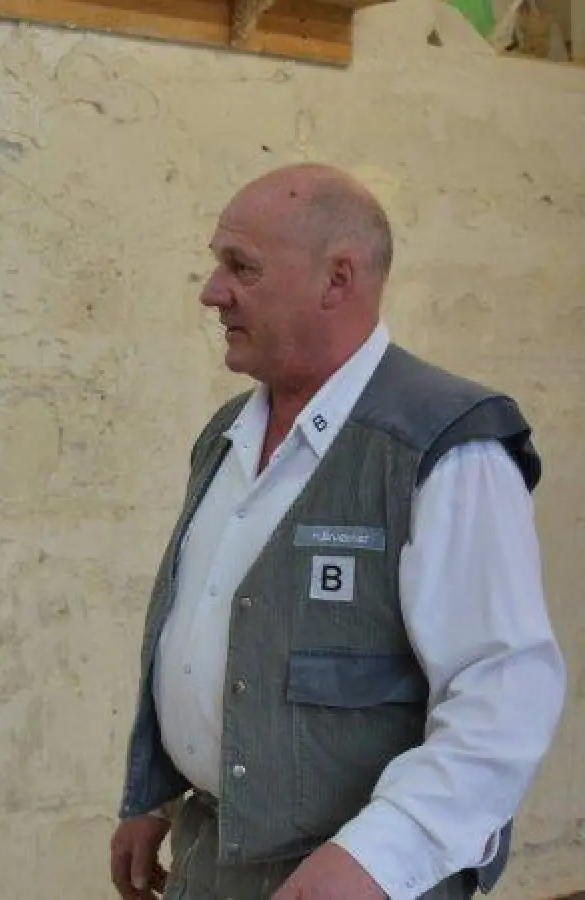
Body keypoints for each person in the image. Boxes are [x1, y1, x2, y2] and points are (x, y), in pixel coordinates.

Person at [111, 164, 566, 900]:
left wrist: (380, 857)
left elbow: (501, 693)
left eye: (241, 267)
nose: (210, 290)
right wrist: (156, 796)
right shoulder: (226, 436)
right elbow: (206, 637)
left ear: (337, 279)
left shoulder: (443, 447)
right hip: (210, 856)